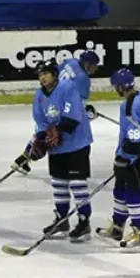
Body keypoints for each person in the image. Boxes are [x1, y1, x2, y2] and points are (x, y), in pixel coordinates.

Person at [13, 60, 94, 241]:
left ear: (54, 75)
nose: (42, 78)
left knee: (77, 183)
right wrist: (42, 140)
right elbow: (40, 121)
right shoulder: (39, 96)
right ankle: (62, 220)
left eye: (46, 74)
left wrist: (56, 131)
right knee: (59, 183)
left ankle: (84, 222)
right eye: (40, 75)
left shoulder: (68, 88)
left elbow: (72, 117)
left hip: (77, 143)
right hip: (57, 147)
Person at [95, 68, 140, 249]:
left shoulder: (129, 106)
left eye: (116, 87)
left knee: (132, 192)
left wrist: (125, 158)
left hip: (134, 157)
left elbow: (135, 137)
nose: (115, 90)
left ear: (121, 87)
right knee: (119, 190)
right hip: (139, 153)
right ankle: (117, 227)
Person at [16, 51, 98, 175]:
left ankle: (23, 158)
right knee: (54, 133)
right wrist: (89, 112)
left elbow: (54, 70)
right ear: (87, 64)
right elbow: (77, 105)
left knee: (42, 131)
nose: (93, 68)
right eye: (92, 65)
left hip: (51, 98)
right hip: (62, 104)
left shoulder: (72, 62)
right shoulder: (83, 79)